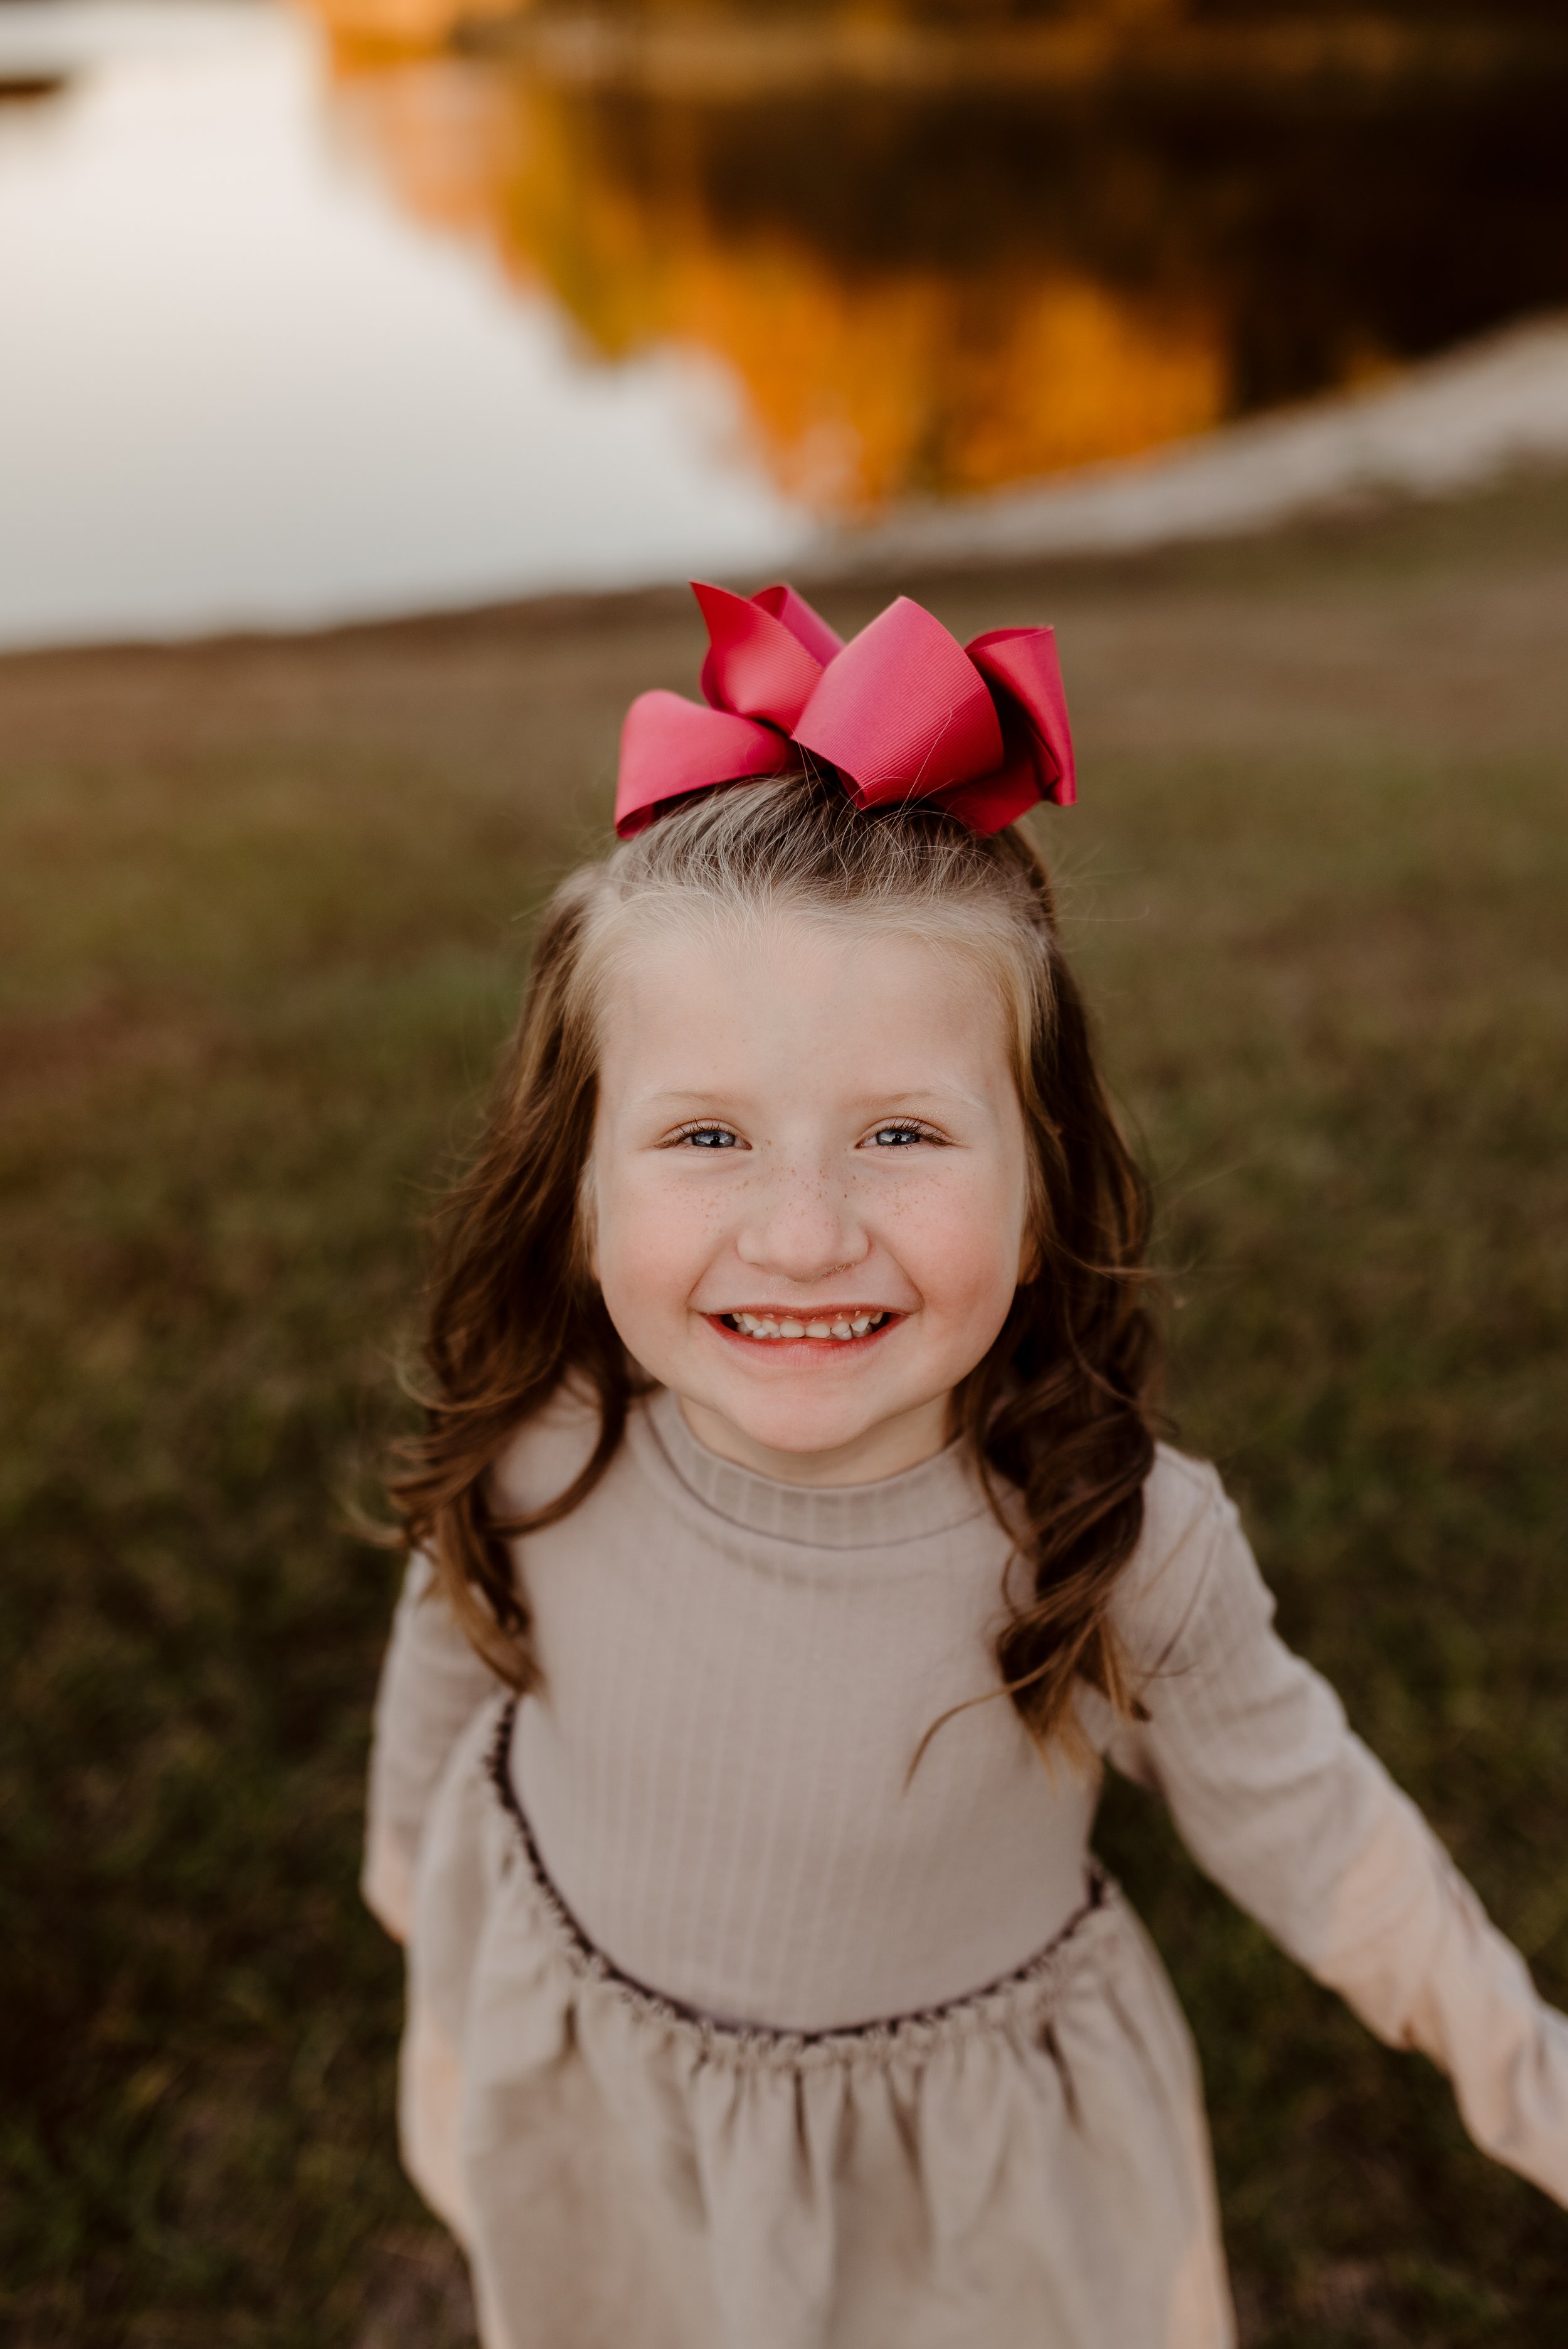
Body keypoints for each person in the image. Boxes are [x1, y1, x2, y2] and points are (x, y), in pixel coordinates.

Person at [363, 581, 1568, 2349]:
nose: (800, 1229)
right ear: (579, 1184)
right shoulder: (552, 1439)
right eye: (704, 1135)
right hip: (615, 2116)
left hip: (964, 2190)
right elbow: (448, 1651)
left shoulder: (1106, 1530)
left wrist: (1521, 2064)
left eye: (903, 1134)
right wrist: (415, 1889)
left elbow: (1308, 1816)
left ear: (1036, 1185)